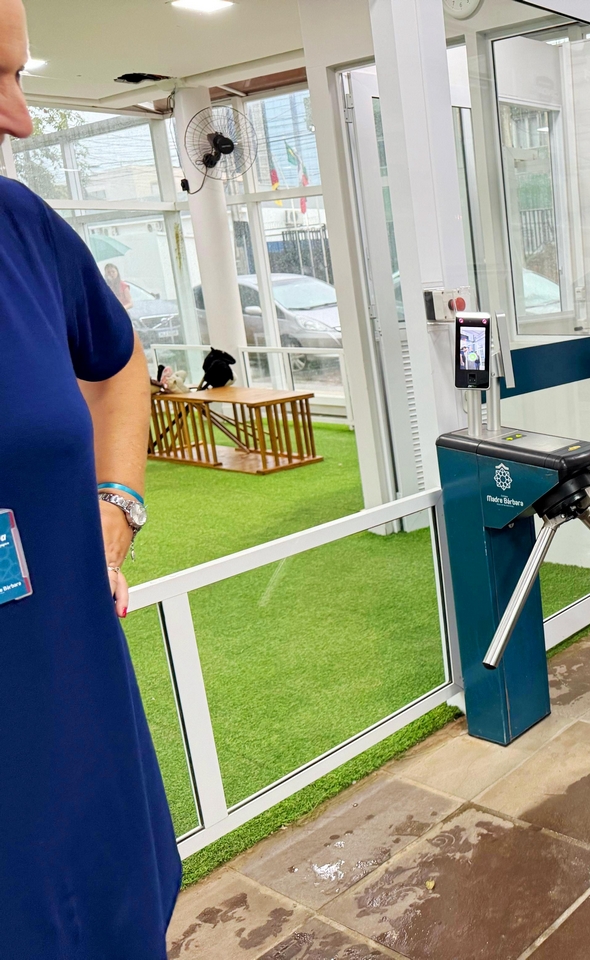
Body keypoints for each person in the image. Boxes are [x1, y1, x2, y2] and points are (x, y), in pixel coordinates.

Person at [0, 0, 181, 954]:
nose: (21, 120)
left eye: (18, 76)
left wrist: (118, 506)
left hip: (71, 693)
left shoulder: (18, 228)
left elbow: (116, 368)